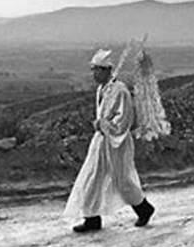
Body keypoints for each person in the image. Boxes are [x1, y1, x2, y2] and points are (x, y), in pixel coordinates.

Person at [63, 49, 155, 233]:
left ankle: (144, 209)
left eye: (97, 69)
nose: (94, 74)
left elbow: (124, 120)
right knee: (91, 177)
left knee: (122, 180)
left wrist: (103, 124)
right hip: (102, 141)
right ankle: (91, 219)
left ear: (106, 70)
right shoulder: (103, 90)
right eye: (93, 69)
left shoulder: (119, 91)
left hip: (116, 143)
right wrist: (101, 127)